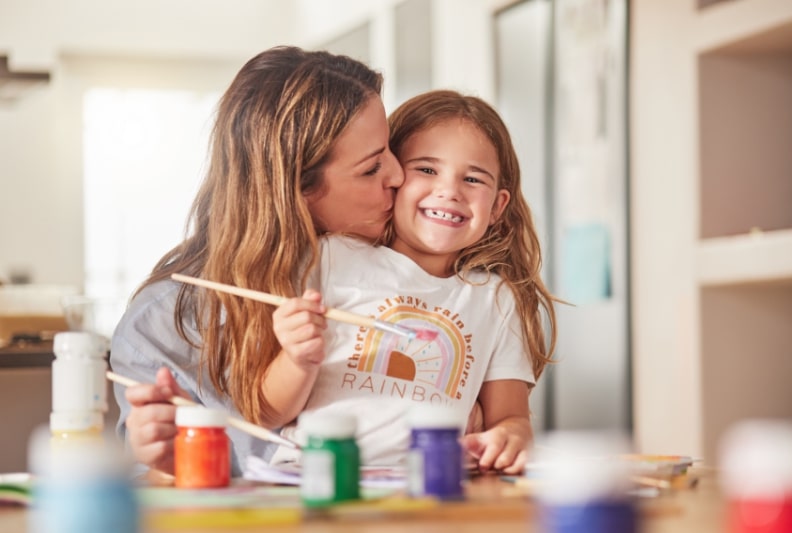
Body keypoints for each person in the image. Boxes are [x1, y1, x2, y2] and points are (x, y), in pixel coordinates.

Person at [110, 45, 404, 476]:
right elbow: (151, 485)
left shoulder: (401, 262)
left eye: (389, 150)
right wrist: (158, 459)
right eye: (371, 168)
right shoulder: (162, 323)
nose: (398, 176)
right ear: (295, 189)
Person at [262, 90, 558, 474]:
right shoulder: (332, 257)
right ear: (394, 178)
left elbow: (512, 419)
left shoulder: (495, 300)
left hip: (433, 486)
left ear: (498, 207)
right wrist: (296, 358)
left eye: (472, 179)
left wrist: (509, 438)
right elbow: (269, 411)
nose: (449, 191)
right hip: (313, 477)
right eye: (427, 170)